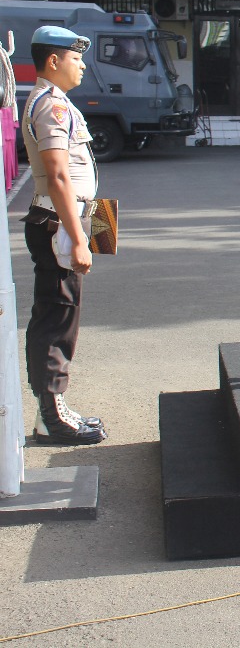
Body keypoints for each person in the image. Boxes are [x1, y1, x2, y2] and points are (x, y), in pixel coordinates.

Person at [20, 26, 105, 443]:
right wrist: (77, 238)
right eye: (75, 58)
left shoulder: (55, 102)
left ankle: (48, 411)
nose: (83, 65)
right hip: (58, 223)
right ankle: (54, 417)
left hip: (63, 220)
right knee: (58, 318)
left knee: (59, 313)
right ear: (53, 61)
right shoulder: (52, 107)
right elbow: (56, 175)